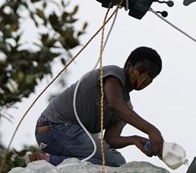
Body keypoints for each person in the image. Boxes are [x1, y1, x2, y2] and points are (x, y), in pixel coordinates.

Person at [28, 47, 165, 166]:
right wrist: (152, 130)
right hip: (54, 126)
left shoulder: (126, 107)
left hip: (66, 136)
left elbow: (110, 139)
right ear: (129, 65)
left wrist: (134, 140)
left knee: (114, 163)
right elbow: (115, 104)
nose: (144, 78)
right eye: (142, 70)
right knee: (114, 162)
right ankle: (48, 162)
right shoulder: (114, 74)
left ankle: (47, 160)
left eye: (150, 77)